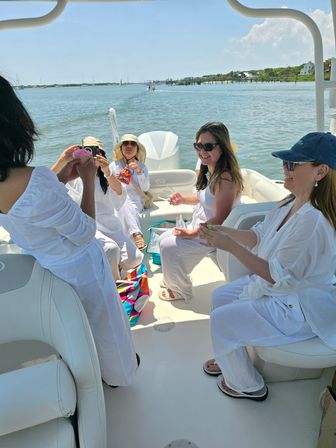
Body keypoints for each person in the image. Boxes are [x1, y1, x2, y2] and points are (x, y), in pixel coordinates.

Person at [0, 75, 138, 387]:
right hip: (81, 267)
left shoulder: (20, 181)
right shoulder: (35, 180)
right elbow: (85, 232)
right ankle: (118, 375)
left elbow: (28, 208)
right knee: (104, 324)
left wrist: (59, 176)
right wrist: (88, 178)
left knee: (77, 329)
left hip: (47, 266)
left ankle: (89, 378)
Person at [200, 132, 336, 401]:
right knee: (219, 296)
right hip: (283, 292)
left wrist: (229, 246)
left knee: (221, 322)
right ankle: (231, 356)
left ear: (320, 172)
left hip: (301, 307)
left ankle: (247, 385)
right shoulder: (290, 202)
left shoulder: (314, 221)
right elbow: (259, 235)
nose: (285, 169)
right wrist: (222, 231)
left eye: (293, 165)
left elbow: (276, 275)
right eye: (285, 163)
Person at [158, 121, 243, 303]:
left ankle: (180, 290)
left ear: (223, 147)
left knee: (168, 247)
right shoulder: (210, 171)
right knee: (163, 238)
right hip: (202, 226)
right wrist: (183, 199)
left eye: (208, 146)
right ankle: (174, 280)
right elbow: (202, 197)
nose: (202, 151)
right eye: (198, 146)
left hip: (214, 233)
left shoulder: (225, 178)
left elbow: (222, 218)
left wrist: (192, 233)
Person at [52, 136, 143, 280]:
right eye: (87, 152)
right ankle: (114, 282)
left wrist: (106, 170)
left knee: (135, 258)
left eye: (96, 151)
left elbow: (120, 192)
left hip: (110, 225)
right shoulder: (74, 175)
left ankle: (111, 266)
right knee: (111, 250)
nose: (92, 156)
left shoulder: (106, 176)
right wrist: (64, 160)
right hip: (90, 226)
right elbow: (50, 184)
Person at [110, 134, 150, 251]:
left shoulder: (142, 166)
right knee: (121, 203)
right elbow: (107, 188)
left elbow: (146, 188)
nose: (129, 146)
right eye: (125, 143)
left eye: (133, 144)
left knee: (125, 204)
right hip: (117, 200)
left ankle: (133, 237)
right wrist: (113, 179)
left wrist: (139, 172)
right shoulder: (113, 166)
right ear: (121, 148)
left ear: (137, 149)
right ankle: (135, 236)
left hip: (135, 202)